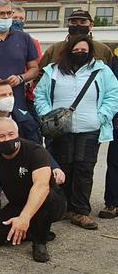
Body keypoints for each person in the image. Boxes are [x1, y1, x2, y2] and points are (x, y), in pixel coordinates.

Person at [34, 35, 118, 231]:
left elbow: (113, 95)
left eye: (84, 50)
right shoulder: (53, 70)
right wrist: (48, 115)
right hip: (60, 129)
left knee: (84, 169)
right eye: (76, 49)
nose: (80, 53)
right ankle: (61, 207)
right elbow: (40, 95)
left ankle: (81, 210)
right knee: (62, 168)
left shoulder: (101, 70)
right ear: (68, 50)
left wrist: (102, 116)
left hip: (90, 128)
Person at [0, 80, 64, 226]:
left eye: (10, 94)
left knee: (42, 196)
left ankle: (29, 218)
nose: (8, 98)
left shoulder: (24, 119)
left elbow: (38, 148)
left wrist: (54, 166)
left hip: (22, 172)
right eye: (3, 95)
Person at [0, 118, 67, 263]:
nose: (7, 139)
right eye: (1, 136)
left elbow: (41, 186)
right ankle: (32, 229)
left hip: (49, 201)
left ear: (18, 133)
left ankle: (40, 242)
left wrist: (24, 218)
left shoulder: (35, 151)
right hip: (18, 204)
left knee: (45, 196)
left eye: (11, 134)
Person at [37, 9, 113, 70]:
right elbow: (40, 74)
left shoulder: (103, 50)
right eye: (73, 22)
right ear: (68, 25)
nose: (78, 25)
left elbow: (112, 76)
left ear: (91, 25)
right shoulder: (54, 49)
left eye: (83, 22)